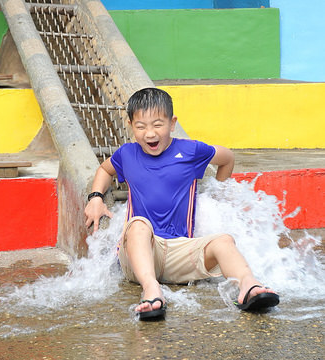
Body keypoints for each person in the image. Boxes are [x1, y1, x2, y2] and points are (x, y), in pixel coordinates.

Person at [84, 87, 280, 320]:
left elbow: (227, 158)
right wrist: (95, 197)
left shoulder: (190, 151)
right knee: (138, 225)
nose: (149, 134)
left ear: (172, 122)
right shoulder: (127, 154)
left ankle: (249, 286)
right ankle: (151, 291)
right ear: (130, 125)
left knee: (223, 241)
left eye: (157, 124)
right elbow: (105, 170)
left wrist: (218, 194)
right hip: (139, 256)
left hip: (180, 252)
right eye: (141, 127)